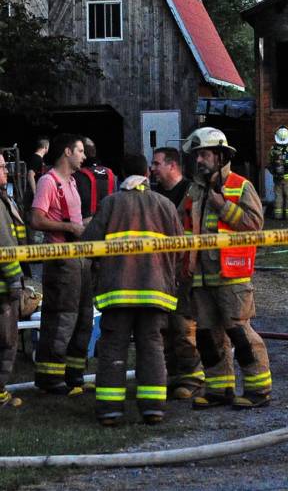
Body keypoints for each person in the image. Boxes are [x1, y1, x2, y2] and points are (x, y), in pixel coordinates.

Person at [82, 154, 183, 426]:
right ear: (146, 175)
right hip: (155, 291)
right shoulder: (165, 205)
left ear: (121, 175)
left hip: (117, 292)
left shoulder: (110, 204)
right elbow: (181, 248)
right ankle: (153, 409)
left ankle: (110, 410)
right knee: (152, 345)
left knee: (113, 348)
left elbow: (88, 245)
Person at [180, 127, 271, 409]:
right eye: (196, 156)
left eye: (204, 154)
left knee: (239, 332)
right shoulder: (194, 190)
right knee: (208, 335)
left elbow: (255, 225)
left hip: (232, 273)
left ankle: (259, 390)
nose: (199, 161)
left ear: (220, 156)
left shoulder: (241, 186)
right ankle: (220, 389)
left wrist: (223, 207)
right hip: (202, 276)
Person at [29, 134, 92, 395]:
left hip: (81, 257)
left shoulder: (74, 182)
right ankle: (50, 379)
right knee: (61, 317)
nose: (84, 156)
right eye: (80, 151)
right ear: (67, 152)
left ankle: (74, 376)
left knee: (83, 317)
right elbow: (36, 219)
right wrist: (69, 227)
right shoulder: (47, 182)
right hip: (61, 260)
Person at [151, 146, 214, 399]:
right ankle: (171, 375)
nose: (152, 169)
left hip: (186, 268)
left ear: (172, 166)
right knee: (161, 325)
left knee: (183, 324)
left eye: (156, 164)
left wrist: (189, 265)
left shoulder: (191, 193)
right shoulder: (154, 195)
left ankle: (192, 377)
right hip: (161, 269)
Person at [0, 152, 26, 409]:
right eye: (1, 167)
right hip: (3, 287)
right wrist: (15, 281)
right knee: (6, 340)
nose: (6, 171)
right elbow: (6, 245)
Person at [74, 137, 116, 218]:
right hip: (109, 224)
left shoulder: (76, 175)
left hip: (84, 225)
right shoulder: (111, 173)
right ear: (95, 152)